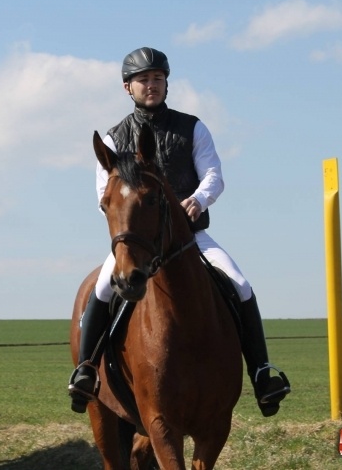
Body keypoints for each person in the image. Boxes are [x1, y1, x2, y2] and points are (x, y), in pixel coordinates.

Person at [68, 47, 291, 417]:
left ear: (167, 84)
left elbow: (214, 175)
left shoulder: (192, 128)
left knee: (239, 283)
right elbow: (103, 195)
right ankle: (87, 370)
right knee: (104, 288)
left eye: (157, 79)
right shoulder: (111, 139)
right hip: (138, 242)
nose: (151, 85)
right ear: (128, 88)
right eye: (143, 80)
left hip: (189, 237)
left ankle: (262, 373)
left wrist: (198, 200)